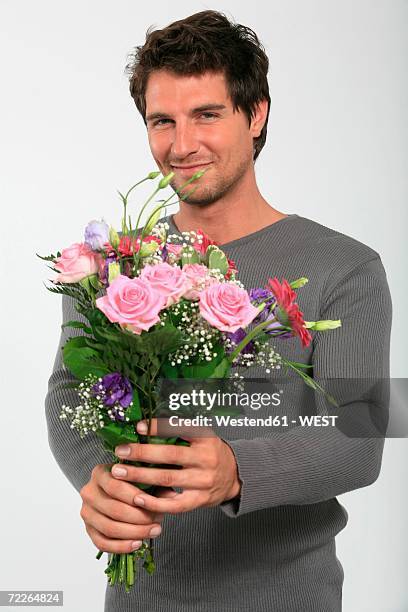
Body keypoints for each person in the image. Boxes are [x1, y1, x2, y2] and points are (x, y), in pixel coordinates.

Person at [45, 10, 392, 612]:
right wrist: (99, 482)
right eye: (163, 121)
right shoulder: (117, 264)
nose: (182, 145)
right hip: (140, 600)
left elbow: (361, 433)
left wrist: (236, 470)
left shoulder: (345, 266)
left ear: (255, 114)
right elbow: (67, 395)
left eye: (207, 114)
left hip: (285, 599)